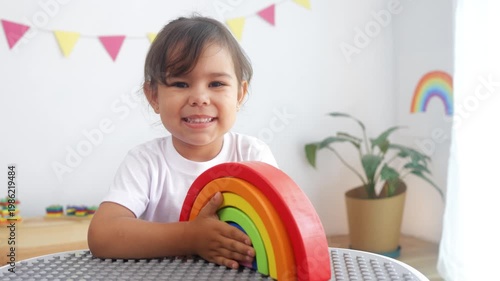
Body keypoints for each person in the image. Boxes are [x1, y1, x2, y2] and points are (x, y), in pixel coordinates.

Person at [87, 15, 278, 271]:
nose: (199, 97)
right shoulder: (145, 162)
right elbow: (102, 236)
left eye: (216, 83)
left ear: (239, 94)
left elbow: (279, 230)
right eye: (180, 83)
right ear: (154, 96)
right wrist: (191, 237)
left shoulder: (253, 155)